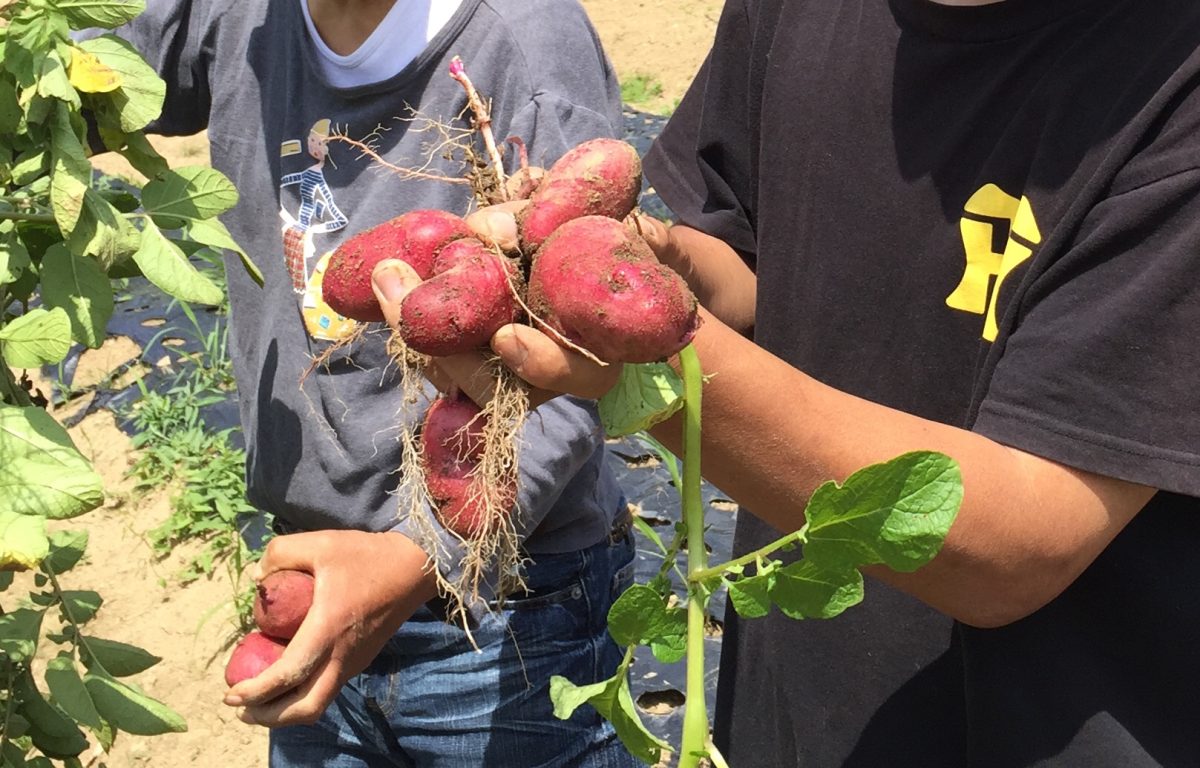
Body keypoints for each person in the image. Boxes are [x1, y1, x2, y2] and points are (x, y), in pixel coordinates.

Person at [372, 0, 1200, 765]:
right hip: (794, 708)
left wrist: (647, 359)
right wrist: (648, 259)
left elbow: (1021, 540)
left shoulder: (1172, 87)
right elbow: (766, 284)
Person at [110, 1, 642, 766]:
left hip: (504, 611)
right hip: (311, 581)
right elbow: (83, 79)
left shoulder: (526, 43)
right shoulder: (236, 18)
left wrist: (412, 563)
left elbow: (580, 362)